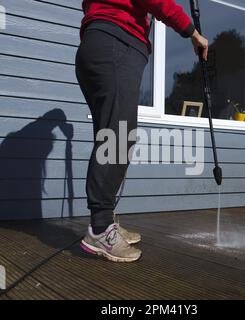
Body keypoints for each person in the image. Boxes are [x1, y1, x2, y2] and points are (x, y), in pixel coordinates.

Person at [75, 0, 208, 263]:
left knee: (111, 134)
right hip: (116, 41)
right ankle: (100, 229)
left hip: (101, 43)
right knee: (118, 136)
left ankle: (105, 220)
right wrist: (192, 32)